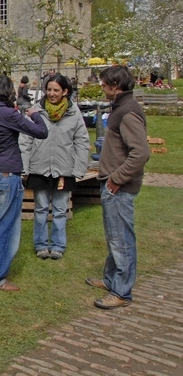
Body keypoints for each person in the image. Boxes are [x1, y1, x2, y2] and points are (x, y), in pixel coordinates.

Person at [0, 75, 48, 292]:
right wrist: (35, 115)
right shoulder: (9, 114)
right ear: (8, 93)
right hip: (6, 173)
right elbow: (41, 132)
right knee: (3, 226)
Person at [88, 65, 150, 309]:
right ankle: (111, 278)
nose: (102, 88)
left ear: (116, 86)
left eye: (104, 85)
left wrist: (117, 177)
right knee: (114, 235)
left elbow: (141, 152)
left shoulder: (128, 112)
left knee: (121, 238)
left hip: (119, 187)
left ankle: (122, 291)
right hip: (113, 182)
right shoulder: (121, 108)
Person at [20, 74, 90, 261]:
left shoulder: (74, 113)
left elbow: (82, 142)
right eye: (49, 89)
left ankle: (58, 245)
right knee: (41, 208)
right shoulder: (36, 111)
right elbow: (25, 140)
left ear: (65, 91)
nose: (51, 93)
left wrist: (79, 169)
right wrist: (24, 167)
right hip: (40, 167)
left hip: (63, 169)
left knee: (60, 210)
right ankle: (41, 245)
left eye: (56, 90)